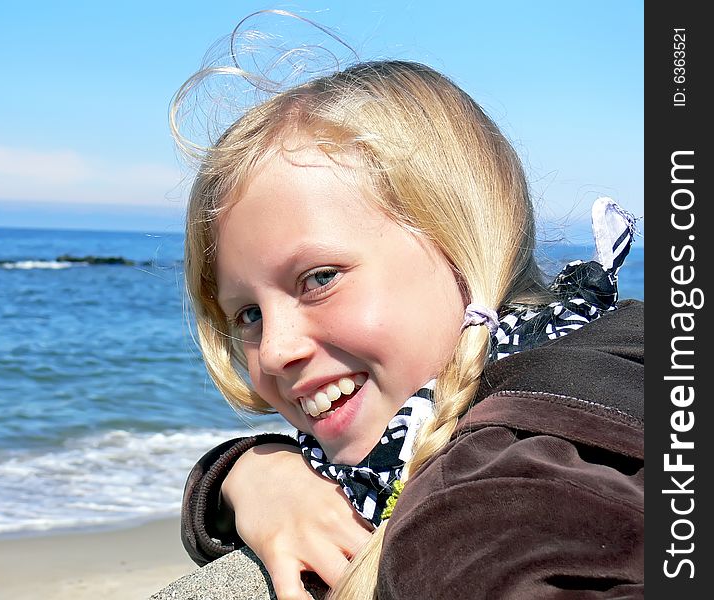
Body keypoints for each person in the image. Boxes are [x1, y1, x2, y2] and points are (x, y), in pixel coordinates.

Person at [170, 53, 643, 600]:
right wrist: (250, 475)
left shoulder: (486, 509)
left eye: (319, 278)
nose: (274, 351)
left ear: (464, 243)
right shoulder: (597, 355)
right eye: (248, 314)